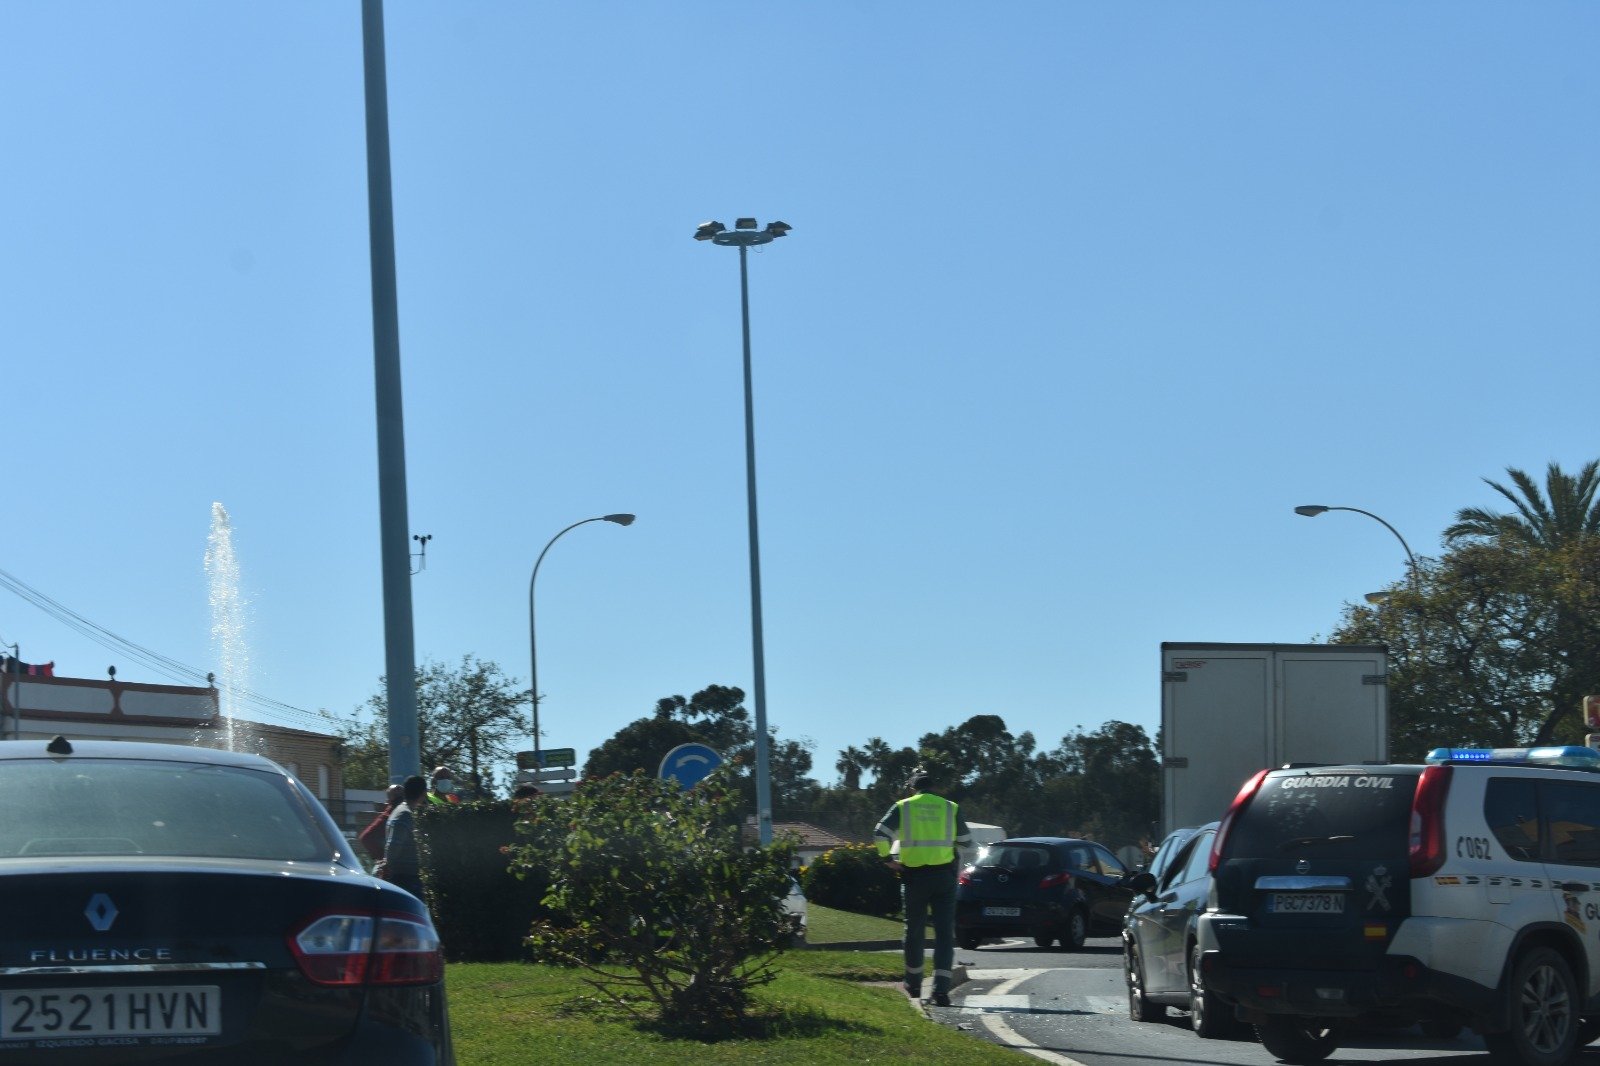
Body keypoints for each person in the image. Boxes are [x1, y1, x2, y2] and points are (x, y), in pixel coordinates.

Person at [874, 766, 971, 1007]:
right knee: (944, 935)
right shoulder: (951, 807)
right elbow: (966, 841)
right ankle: (941, 991)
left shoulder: (903, 806)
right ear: (934, 787)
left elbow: (879, 833)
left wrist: (888, 860)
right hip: (944, 878)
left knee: (914, 931)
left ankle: (914, 983)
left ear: (912, 787)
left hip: (915, 877)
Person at [381, 775, 430, 900]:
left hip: (405, 879)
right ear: (423, 793)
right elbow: (393, 848)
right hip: (405, 881)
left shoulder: (401, 811)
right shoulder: (405, 815)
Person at [358, 784, 405, 862]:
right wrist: (384, 858)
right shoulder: (389, 815)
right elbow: (366, 837)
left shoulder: (390, 813)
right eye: (401, 796)